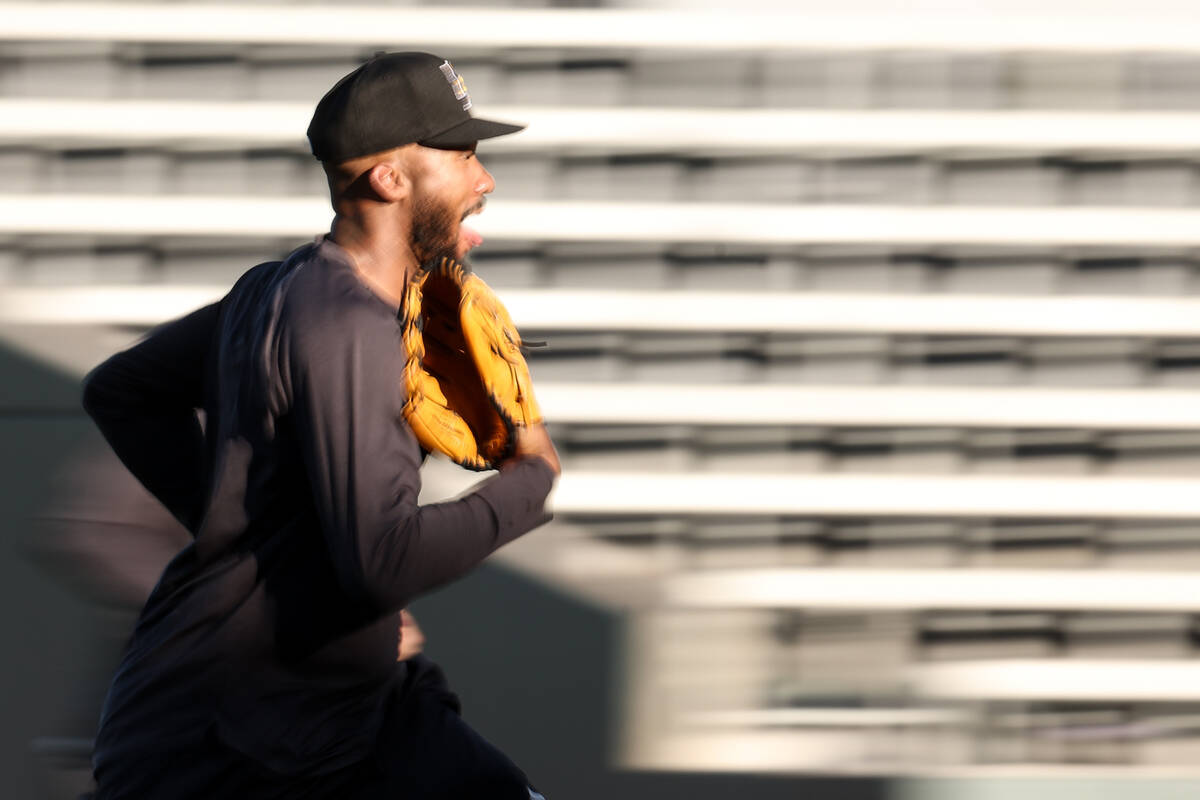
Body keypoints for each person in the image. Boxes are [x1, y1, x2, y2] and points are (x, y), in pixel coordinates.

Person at [80, 52, 560, 799]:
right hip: (227, 748)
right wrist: (531, 480)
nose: (483, 178)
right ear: (390, 179)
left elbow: (123, 391)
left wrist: (246, 532)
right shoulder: (349, 326)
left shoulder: (279, 289)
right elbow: (384, 563)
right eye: (461, 154)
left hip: (338, 705)